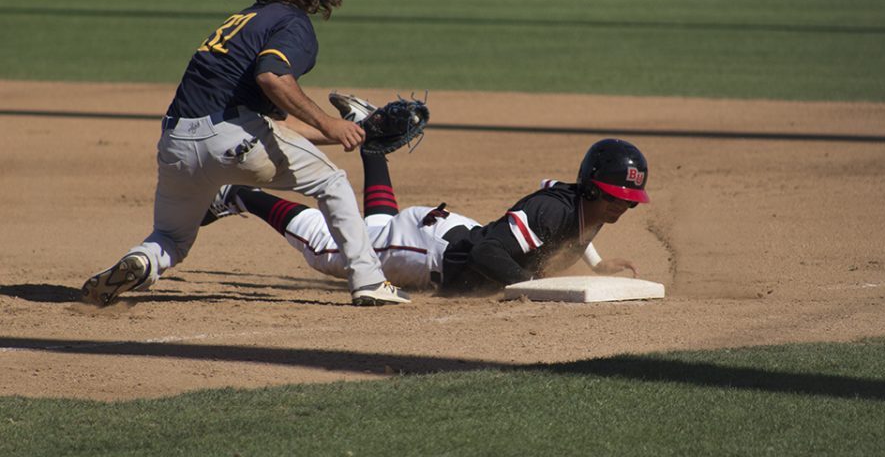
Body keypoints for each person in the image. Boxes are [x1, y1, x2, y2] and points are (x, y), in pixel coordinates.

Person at [82, 0, 409, 307]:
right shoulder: (293, 23)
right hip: (232, 138)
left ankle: (141, 261)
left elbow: (270, 128)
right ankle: (369, 281)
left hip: (178, 142)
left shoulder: (246, 20)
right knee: (332, 182)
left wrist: (351, 131)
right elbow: (272, 75)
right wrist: (329, 123)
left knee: (171, 237)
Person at [200, 94, 650, 293]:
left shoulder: (587, 210)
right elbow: (488, 254)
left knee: (377, 227)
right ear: (592, 187)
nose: (623, 206)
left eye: (629, 201)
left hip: (443, 234)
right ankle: (237, 193)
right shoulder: (552, 209)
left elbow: (573, 232)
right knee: (328, 250)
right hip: (432, 251)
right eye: (616, 197)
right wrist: (533, 288)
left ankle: (371, 136)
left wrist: (596, 263)